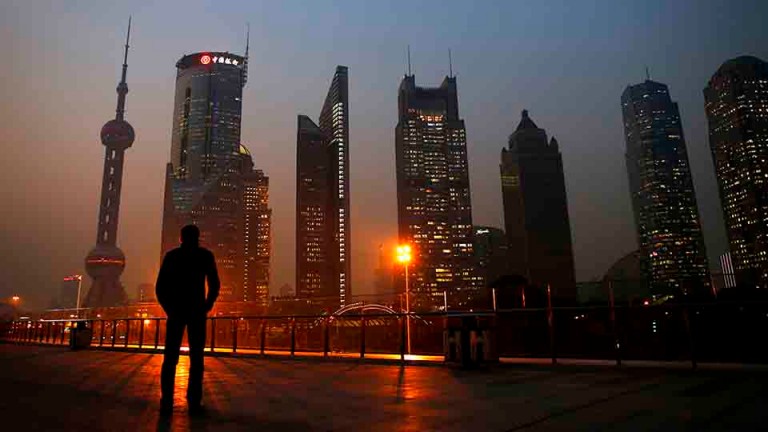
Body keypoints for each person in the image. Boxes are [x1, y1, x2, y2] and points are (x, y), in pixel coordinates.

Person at [155, 224, 220, 415]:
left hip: (176, 312)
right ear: (198, 237)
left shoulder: (172, 256)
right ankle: (194, 402)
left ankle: (166, 402)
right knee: (197, 359)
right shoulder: (205, 256)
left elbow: (160, 288)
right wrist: (207, 305)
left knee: (170, 359)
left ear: (181, 238)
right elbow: (215, 284)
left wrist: (170, 309)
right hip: (197, 312)